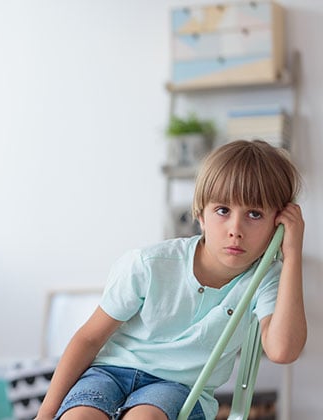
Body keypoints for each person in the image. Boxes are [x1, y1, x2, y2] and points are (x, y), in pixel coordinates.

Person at [36, 140, 306, 420]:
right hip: (109, 372)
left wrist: (292, 253)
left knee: (145, 417)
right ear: (201, 214)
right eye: (223, 211)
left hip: (180, 389)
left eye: (254, 214)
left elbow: (282, 350)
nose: (235, 230)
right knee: (78, 417)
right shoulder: (150, 265)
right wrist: (45, 413)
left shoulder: (265, 279)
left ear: (278, 224)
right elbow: (89, 338)